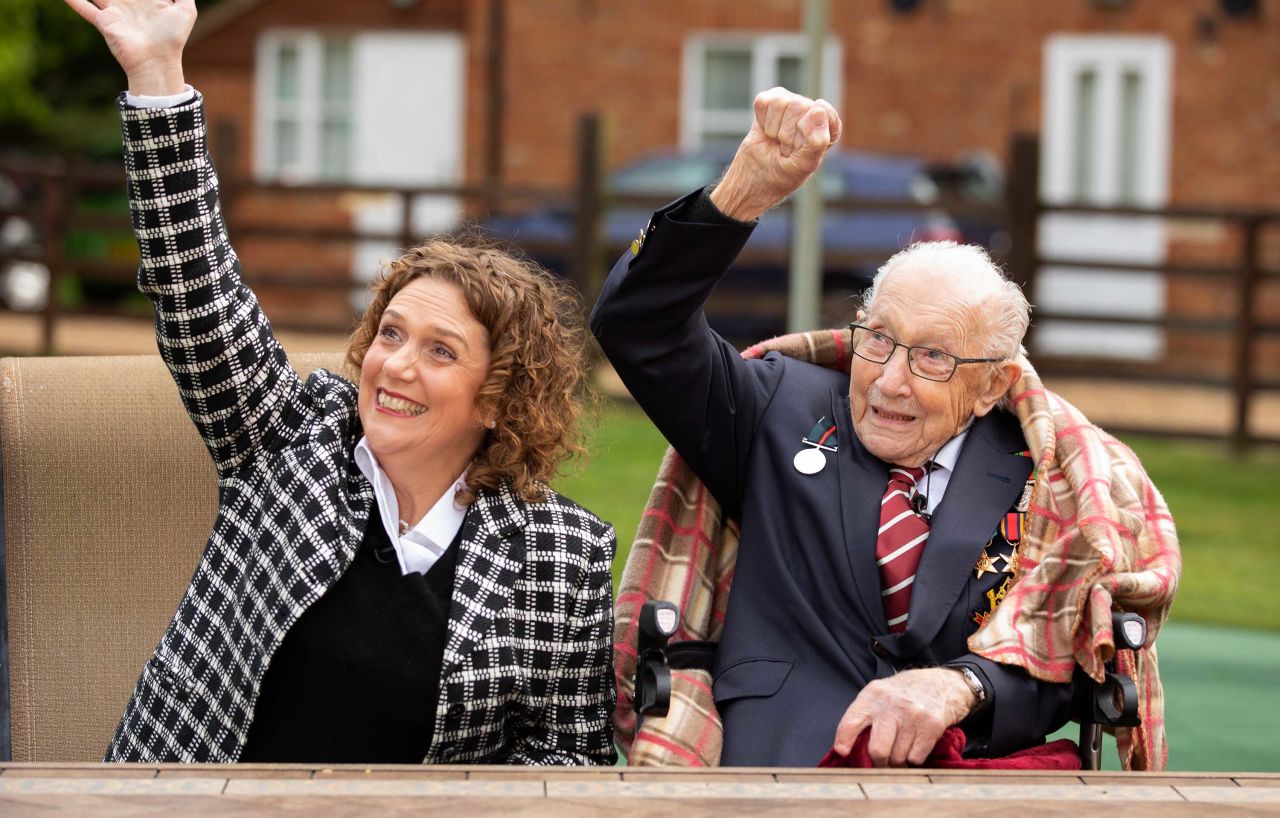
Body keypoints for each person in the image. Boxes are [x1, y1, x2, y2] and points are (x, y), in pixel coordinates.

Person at [67, 0, 616, 765]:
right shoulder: (288, 438)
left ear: (498, 396)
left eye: (439, 351)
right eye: (390, 333)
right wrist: (157, 75)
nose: (395, 364)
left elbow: (568, 756)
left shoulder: (563, 555)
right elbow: (196, 287)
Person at [592, 87, 1178, 769]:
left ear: (991, 384)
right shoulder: (776, 408)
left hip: (959, 787)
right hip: (775, 777)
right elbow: (637, 325)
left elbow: (1072, 664)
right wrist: (744, 189)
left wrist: (967, 685)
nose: (890, 380)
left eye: (932, 357)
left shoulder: (1047, 474)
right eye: (879, 340)